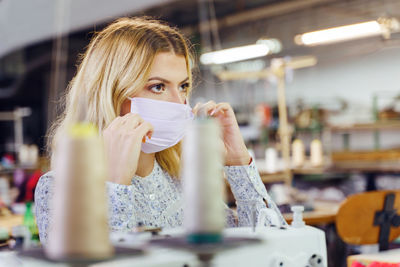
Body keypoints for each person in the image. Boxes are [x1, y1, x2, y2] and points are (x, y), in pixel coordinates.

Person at [34, 17, 286, 244]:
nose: (179, 103)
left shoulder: (183, 178)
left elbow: (274, 250)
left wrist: (239, 163)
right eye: (158, 87)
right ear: (112, 93)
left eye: (183, 86)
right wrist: (114, 185)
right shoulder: (59, 188)